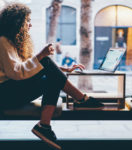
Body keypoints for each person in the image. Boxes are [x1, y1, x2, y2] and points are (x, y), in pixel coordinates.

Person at [0, 3, 104, 150]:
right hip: (5, 95)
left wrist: (63, 69)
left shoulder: (12, 41)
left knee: (51, 76)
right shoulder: (3, 41)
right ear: (17, 22)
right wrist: (41, 55)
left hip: (12, 91)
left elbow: (30, 66)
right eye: (27, 21)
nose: (29, 25)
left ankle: (44, 126)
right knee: (46, 61)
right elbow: (17, 73)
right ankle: (81, 99)